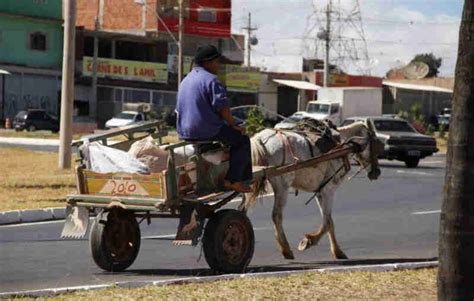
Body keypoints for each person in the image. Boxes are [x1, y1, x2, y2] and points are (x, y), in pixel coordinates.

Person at [176, 45, 252, 193]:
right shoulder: (211, 80)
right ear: (208, 62)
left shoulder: (185, 80)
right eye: (217, 62)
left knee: (226, 132)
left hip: (184, 131)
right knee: (242, 140)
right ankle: (234, 180)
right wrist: (234, 124)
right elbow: (222, 107)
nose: (219, 66)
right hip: (205, 130)